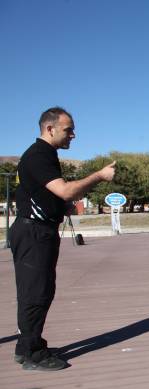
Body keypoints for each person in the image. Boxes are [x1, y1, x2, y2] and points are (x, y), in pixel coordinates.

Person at [9, 107, 116, 370]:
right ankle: (31, 353)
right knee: (35, 292)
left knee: (40, 291)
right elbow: (66, 191)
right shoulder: (38, 156)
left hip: (38, 230)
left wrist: (58, 208)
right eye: (68, 130)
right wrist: (99, 176)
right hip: (33, 232)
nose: (73, 135)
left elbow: (46, 195)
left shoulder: (46, 155)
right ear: (50, 129)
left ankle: (28, 345)